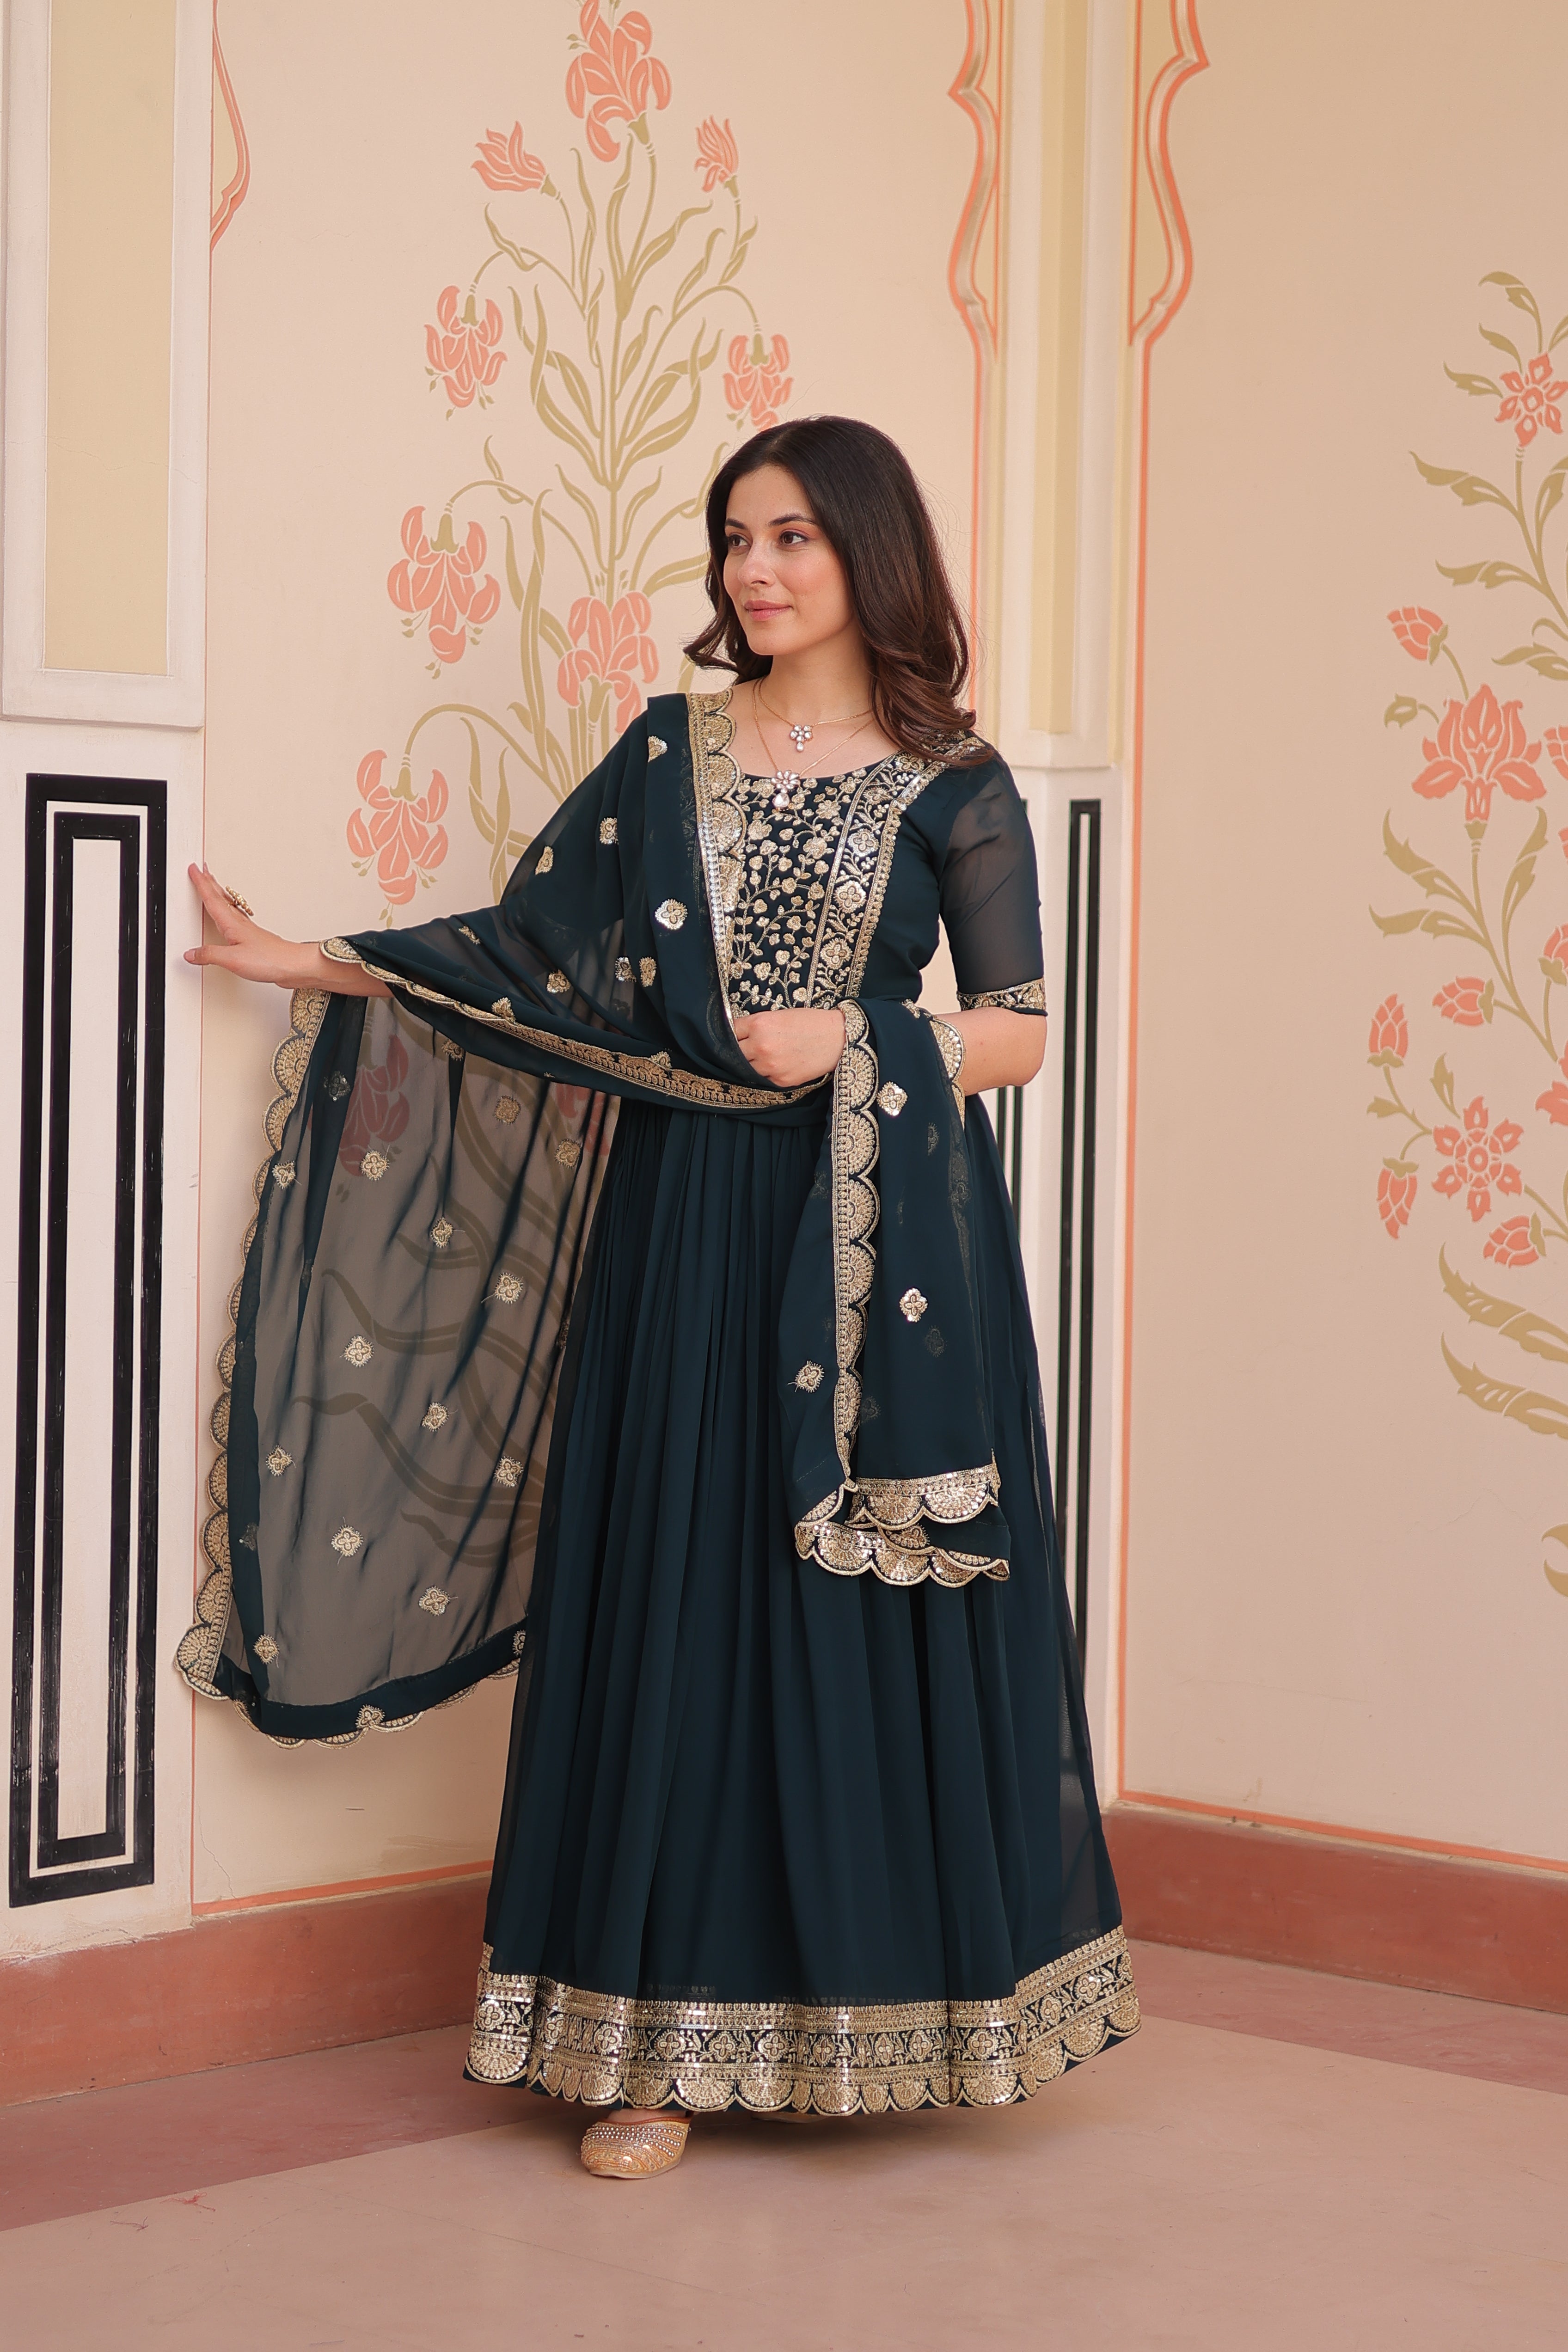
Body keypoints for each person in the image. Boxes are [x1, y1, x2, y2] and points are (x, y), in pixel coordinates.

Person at [181, 415, 1138, 2180]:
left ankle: (884, 2012)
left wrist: (859, 1036)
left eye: (792, 538)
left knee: (843, 1595)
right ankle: (647, 2047)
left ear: (868, 551)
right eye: (735, 540)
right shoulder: (665, 754)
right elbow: (527, 956)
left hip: (873, 1240)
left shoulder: (956, 781)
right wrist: (306, 957)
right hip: (686, 1215)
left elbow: (1018, 1031)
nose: (753, 571)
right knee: (678, 1589)